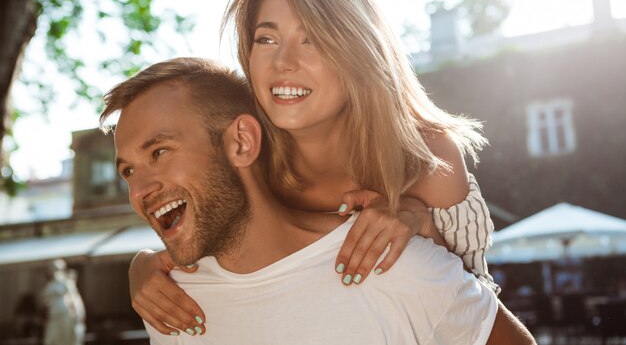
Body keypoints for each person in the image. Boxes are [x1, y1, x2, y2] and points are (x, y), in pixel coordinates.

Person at [130, 0, 498, 334]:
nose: (283, 62)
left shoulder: (428, 158)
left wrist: (422, 225)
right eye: (267, 39)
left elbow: (474, 311)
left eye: (312, 39)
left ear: (357, 50)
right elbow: (201, 239)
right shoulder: (244, 159)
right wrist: (145, 266)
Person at [101, 57, 535, 344]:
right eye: (128, 171)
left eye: (159, 153)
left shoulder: (388, 264)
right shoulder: (166, 304)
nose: (139, 192)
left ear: (241, 142)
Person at [41, 259, 84, 345]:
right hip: (54, 317)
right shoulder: (50, 285)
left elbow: (74, 300)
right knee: (52, 339)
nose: (55, 272)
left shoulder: (67, 283)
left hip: (65, 316)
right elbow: (44, 299)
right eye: (53, 269)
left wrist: (77, 315)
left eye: (58, 269)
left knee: (66, 339)